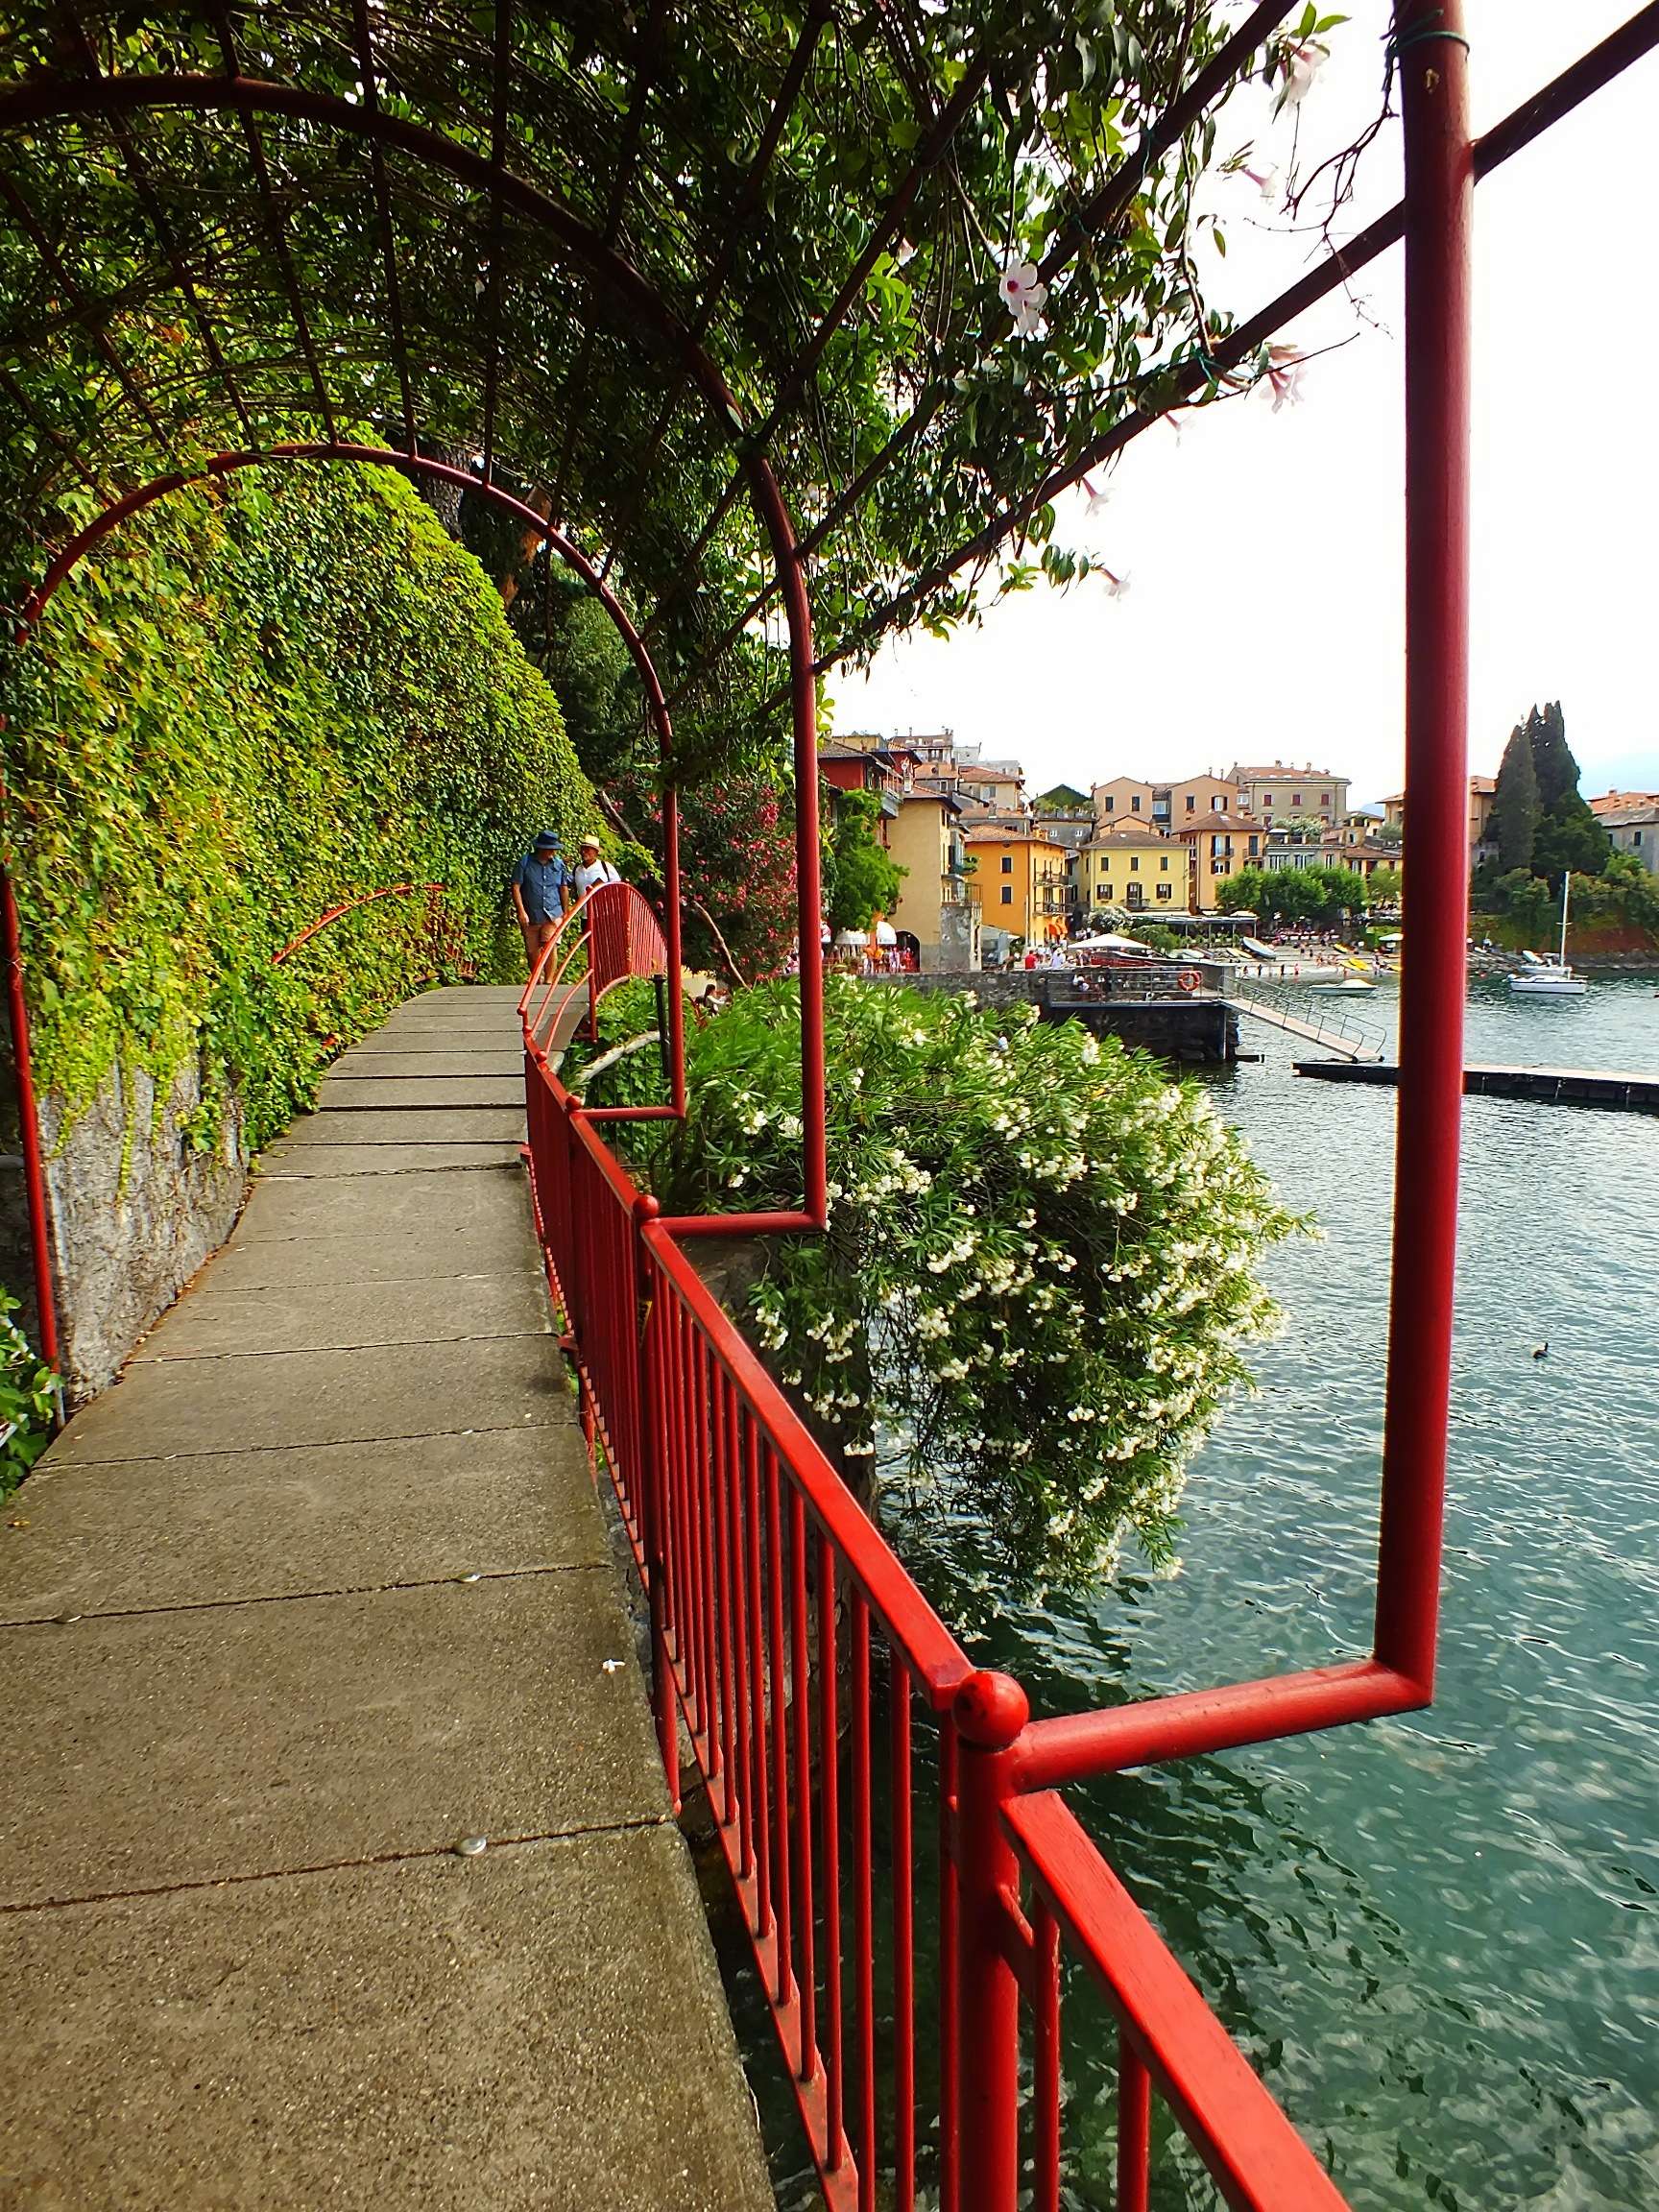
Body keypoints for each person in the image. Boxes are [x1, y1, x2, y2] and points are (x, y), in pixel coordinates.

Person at [511, 830, 570, 977]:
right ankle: (537, 978)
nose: (553, 852)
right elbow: (516, 886)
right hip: (532, 913)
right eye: (550, 849)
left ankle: (549, 981)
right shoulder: (525, 862)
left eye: (554, 849)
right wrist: (521, 911)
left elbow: (563, 888)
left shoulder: (559, 865)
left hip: (553, 912)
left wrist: (565, 912)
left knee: (550, 945)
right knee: (532, 950)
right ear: (541, 848)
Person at [571, 833, 620, 903]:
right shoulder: (577, 869)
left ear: (596, 852)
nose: (583, 852)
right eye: (582, 849)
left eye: (587, 849)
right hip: (584, 912)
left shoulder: (605, 867)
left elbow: (618, 888)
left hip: (604, 912)